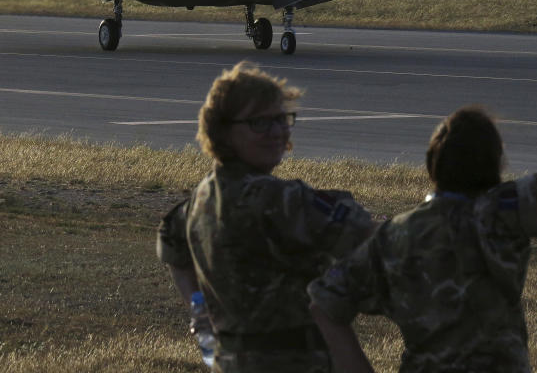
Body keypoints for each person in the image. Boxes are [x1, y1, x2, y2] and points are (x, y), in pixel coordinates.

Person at [307, 48, 537, 372]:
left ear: (432, 167)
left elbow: (324, 306)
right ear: (497, 165)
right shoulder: (504, 213)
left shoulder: (393, 237)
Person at [156, 61, 375, 373]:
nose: (276, 132)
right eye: (259, 123)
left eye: (281, 119)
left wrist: (200, 312)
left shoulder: (202, 198)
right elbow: (369, 236)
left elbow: (171, 244)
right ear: (223, 130)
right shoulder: (280, 200)